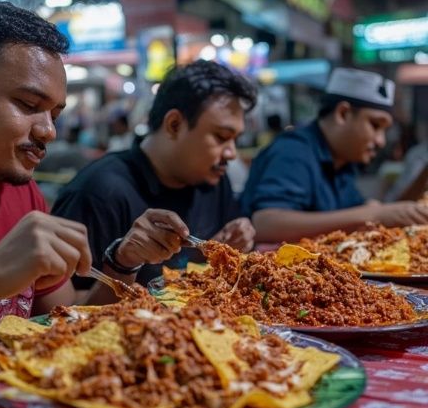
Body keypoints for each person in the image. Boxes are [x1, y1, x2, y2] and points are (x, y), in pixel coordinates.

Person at [0, 1, 186, 364]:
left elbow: (71, 324)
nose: (48, 130)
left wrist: (123, 262)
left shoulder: (22, 193)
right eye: (28, 104)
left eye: (55, 113)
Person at [52, 60, 258, 287]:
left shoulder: (214, 181)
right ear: (174, 124)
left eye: (235, 139)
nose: (231, 153)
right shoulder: (98, 192)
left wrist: (219, 250)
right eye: (221, 137)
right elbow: (61, 309)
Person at [241, 67, 428, 243]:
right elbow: (265, 223)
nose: (381, 141)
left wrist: (372, 210)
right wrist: (373, 214)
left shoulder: (342, 161)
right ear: (343, 114)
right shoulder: (293, 151)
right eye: (375, 125)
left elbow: (356, 211)